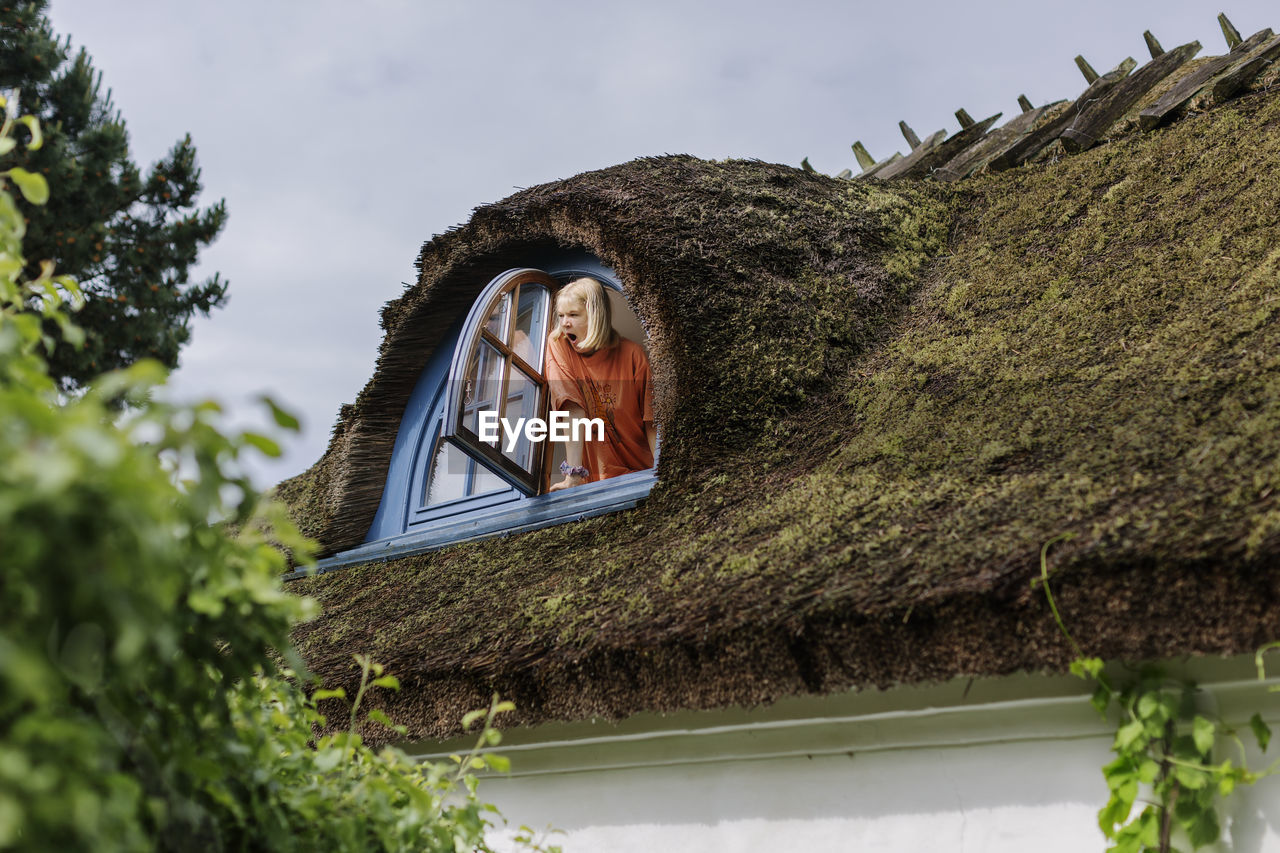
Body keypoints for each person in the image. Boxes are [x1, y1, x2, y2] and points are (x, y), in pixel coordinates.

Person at [545, 277, 656, 491]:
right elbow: (571, 409)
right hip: (597, 484)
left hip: (641, 473)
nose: (565, 323)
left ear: (595, 316)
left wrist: (661, 471)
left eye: (573, 315)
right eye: (561, 316)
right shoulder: (558, 344)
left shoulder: (632, 354)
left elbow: (651, 420)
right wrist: (573, 475)